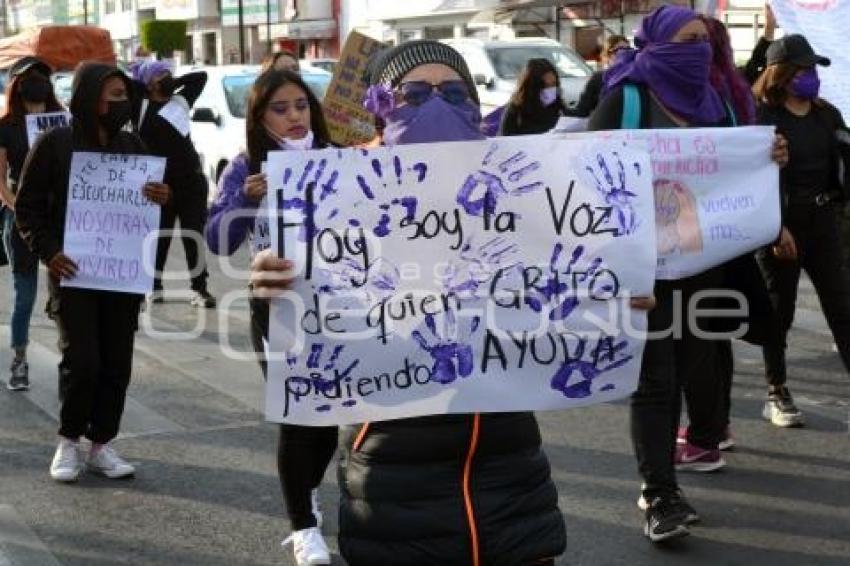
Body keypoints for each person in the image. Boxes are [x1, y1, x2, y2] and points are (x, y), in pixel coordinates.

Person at [251, 40, 568, 565]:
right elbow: (308, 338)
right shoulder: (338, 193)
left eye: (454, 92)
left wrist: (618, 298)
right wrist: (271, 296)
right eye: (415, 94)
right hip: (393, 486)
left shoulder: (518, 187)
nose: (437, 105)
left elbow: (571, 282)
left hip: (512, 486)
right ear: (381, 106)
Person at [589, 5, 789, 542]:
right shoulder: (626, 101)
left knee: (693, 366)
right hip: (643, 275)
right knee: (656, 381)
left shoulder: (717, 104)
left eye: (704, 39)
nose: (699, 49)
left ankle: (691, 450)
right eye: (686, 40)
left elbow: (736, 172)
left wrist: (770, 154)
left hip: (705, 267)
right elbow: (580, 176)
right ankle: (659, 494)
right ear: (655, 45)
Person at [15, 62, 171, 482]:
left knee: (116, 363)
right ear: (89, 98)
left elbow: (153, 207)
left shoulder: (134, 146)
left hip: (121, 276)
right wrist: (50, 253)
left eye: (125, 96)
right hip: (75, 273)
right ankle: (68, 441)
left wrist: (161, 195)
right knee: (82, 361)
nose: (122, 103)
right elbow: (27, 211)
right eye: (114, 95)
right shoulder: (55, 143)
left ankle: (102, 443)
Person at [205, 69, 337, 566]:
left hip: (340, 307)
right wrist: (245, 198)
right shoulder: (246, 167)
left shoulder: (337, 159)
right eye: (280, 109)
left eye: (301, 105)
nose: (294, 116)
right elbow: (217, 239)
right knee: (296, 413)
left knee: (330, 418)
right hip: (277, 304)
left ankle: (309, 489)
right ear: (260, 118)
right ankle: (302, 526)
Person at [752, 34, 850, 426]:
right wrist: (776, 227)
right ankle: (776, 391)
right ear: (783, 74)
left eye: (814, 70)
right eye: (805, 69)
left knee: (842, 309)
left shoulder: (826, 114)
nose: (812, 76)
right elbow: (753, 181)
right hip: (781, 228)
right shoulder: (762, 120)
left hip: (824, 222)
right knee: (779, 313)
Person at [0, 56, 64, 391]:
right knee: (24, 295)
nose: (38, 81)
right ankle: (19, 359)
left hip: (59, 221)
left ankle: (72, 358)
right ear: (16, 84)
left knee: (67, 296)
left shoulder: (65, 122)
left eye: (43, 74)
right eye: (29, 76)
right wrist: (20, 210)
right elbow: (0, 182)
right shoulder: (7, 126)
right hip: (20, 220)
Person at [130, 59, 216, 308]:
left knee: (193, 235)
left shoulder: (180, 101)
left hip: (190, 180)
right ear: (148, 83)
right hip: (159, 183)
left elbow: (200, 77)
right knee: (160, 235)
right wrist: (147, 83)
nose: (166, 78)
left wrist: (172, 82)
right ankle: (154, 286)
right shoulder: (141, 106)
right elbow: (132, 87)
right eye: (161, 76)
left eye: (169, 74)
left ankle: (199, 288)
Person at [499, 58, 569, 135]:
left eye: (553, 84)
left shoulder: (559, 108)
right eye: (544, 86)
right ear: (532, 87)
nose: (550, 90)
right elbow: (504, 138)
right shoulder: (516, 110)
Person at [566, 35, 630, 118]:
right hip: (607, 128)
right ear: (607, 55)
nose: (624, 54)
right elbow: (582, 111)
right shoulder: (598, 78)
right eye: (618, 51)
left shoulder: (637, 76)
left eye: (628, 50)